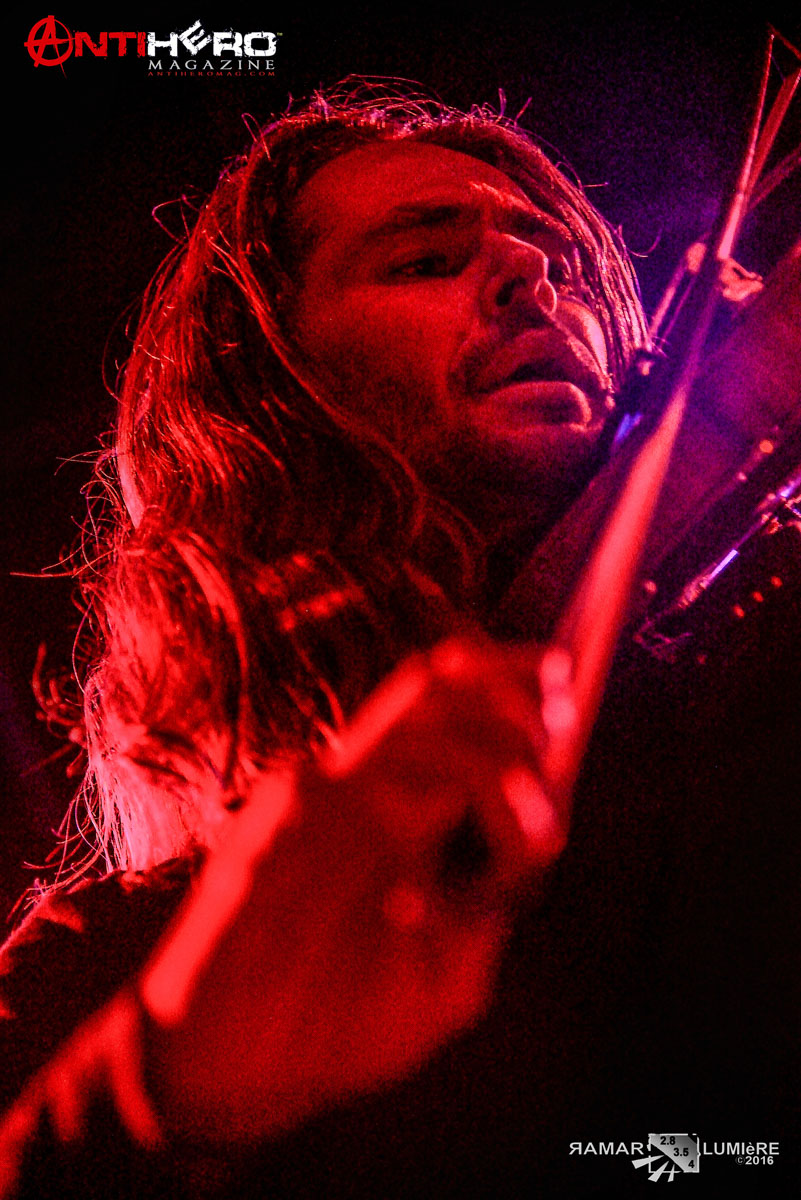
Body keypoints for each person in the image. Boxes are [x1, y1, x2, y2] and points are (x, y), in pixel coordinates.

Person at [1, 84, 795, 1198]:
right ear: (274, 397)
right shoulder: (115, 965)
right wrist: (170, 1093)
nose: (531, 274)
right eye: (425, 261)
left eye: (564, 262)